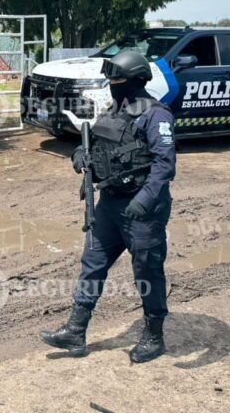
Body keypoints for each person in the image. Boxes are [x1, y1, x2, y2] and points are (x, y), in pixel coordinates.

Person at [40, 50, 176, 363]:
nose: (112, 84)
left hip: (143, 209)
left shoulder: (156, 115)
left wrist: (144, 200)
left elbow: (164, 165)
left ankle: (154, 336)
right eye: (111, 79)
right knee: (93, 262)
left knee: (147, 271)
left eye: (117, 79)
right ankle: (75, 330)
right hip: (109, 203)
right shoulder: (114, 110)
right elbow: (96, 143)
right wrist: (79, 155)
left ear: (136, 80)